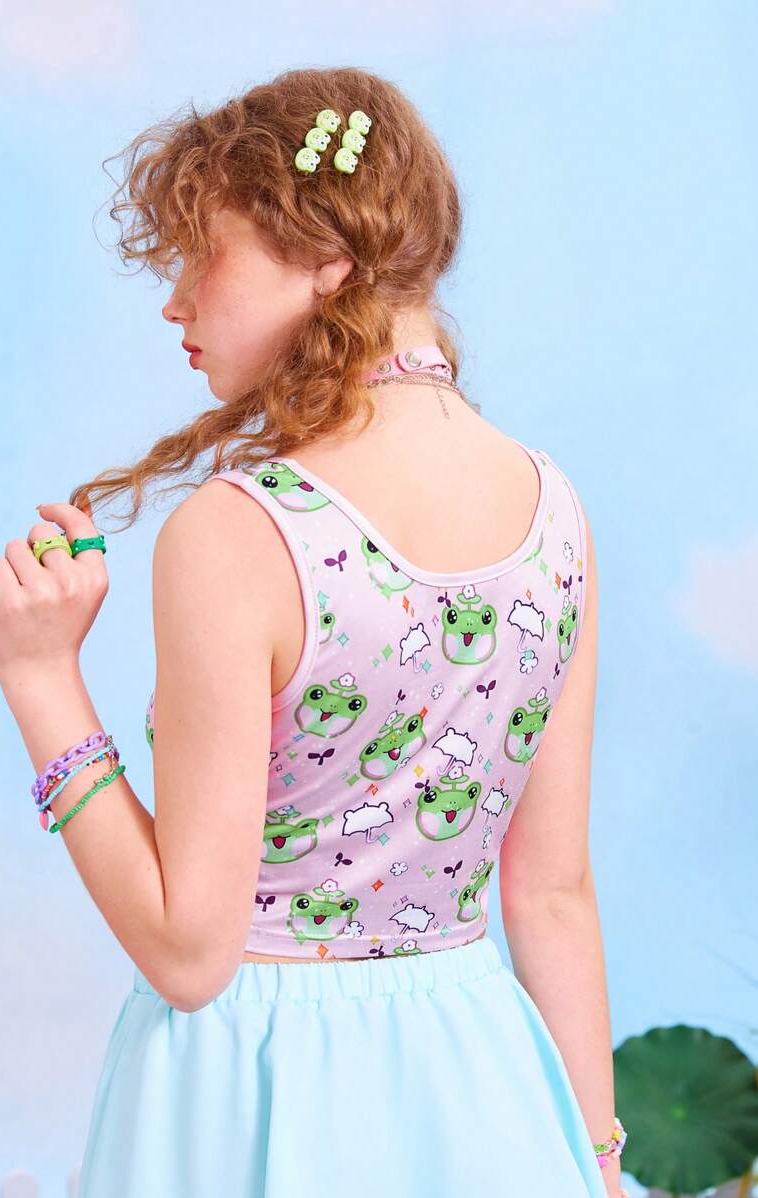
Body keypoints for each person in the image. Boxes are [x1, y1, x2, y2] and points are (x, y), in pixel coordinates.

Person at [57, 66, 626, 1197]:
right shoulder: (555, 512)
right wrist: (598, 1161)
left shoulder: (239, 532)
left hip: (249, 1077)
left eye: (203, 254)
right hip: (478, 1080)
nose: (176, 301)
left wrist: (41, 681)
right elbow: (552, 892)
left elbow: (189, 952)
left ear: (328, 258)